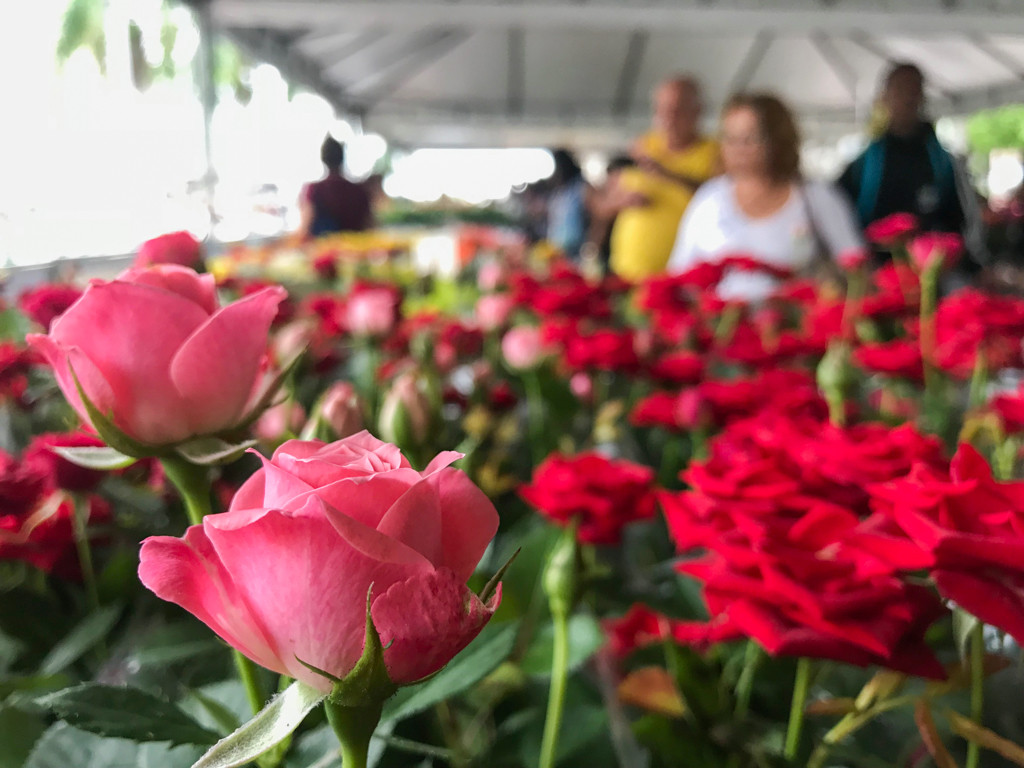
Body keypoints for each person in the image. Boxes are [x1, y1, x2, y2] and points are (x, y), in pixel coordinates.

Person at [666, 93, 864, 302]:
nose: (738, 150)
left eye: (750, 139)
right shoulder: (709, 199)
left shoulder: (815, 196)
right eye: (730, 139)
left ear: (778, 140)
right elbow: (680, 274)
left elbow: (856, 266)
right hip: (721, 327)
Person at [838, 62, 983, 267]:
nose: (907, 98)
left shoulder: (944, 163)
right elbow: (840, 222)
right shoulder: (863, 165)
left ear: (923, 97)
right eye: (899, 90)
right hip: (878, 277)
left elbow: (963, 225)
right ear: (884, 97)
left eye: (913, 90)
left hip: (934, 275)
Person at [608, 76, 719, 281]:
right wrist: (621, 200)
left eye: (677, 110)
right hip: (628, 271)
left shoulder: (716, 153)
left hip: (684, 276)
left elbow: (721, 199)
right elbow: (603, 203)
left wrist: (669, 175)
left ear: (697, 112)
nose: (668, 118)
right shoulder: (640, 146)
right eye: (662, 109)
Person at [299, 136, 373, 239]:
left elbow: (305, 228)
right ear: (342, 157)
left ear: (323, 159)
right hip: (359, 250)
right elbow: (370, 226)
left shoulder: (314, 189)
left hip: (325, 251)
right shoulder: (359, 190)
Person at [583, 155, 635, 273]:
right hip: (606, 252)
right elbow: (601, 211)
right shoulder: (606, 197)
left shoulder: (637, 196)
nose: (612, 183)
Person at [545, 149, 590, 260]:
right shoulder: (558, 191)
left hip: (577, 251)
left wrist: (591, 247)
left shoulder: (581, 188)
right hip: (557, 250)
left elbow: (597, 216)